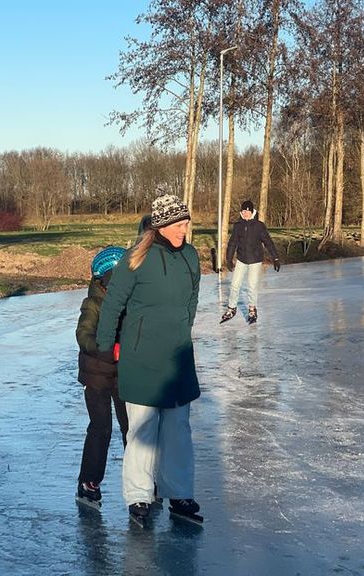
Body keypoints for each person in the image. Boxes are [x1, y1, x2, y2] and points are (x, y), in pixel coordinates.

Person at [95, 194, 203, 526]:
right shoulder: (135, 259)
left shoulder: (190, 256)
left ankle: (179, 493)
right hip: (142, 358)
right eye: (180, 224)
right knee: (142, 431)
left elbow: (193, 298)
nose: (185, 229)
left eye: (186, 223)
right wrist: (104, 345)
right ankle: (139, 497)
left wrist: (183, 329)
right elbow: (113, 304)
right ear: (162, 225)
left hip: (177, 359)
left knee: (178, 431)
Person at [75, 246, 130, 509]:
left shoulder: (128, 302)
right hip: (96, 376)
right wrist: (109, 348)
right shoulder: (93, 304)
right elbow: (84, 336)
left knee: (132, 427)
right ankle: (88, 481)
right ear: (105, 279)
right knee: (101, 429)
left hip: (123, 375)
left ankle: (139, 481)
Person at [221, 200, 280, 325]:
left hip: (255, 260)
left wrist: (275, 258)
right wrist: (229, 258)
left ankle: (252, 310)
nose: (246, 213)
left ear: (252, 212)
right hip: (242, 259)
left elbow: (268, 242)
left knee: (252, 286)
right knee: (235, 285)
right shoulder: (238, 226)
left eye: (248, 211)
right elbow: (232, 243)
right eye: (243, 211)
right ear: (241, 213)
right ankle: (232, 308)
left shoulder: (259, 226)